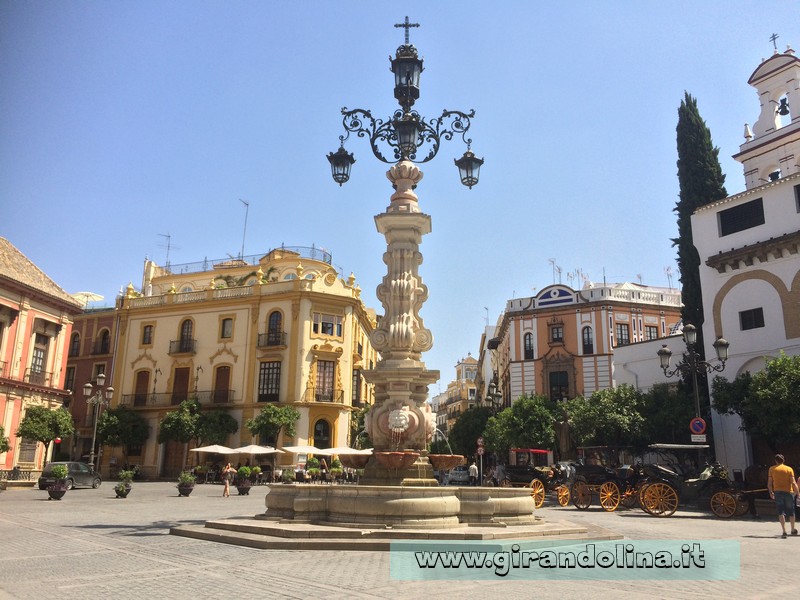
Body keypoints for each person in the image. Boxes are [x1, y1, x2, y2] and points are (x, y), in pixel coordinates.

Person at [767, 454, 799, 538]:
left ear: (775, 461)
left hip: (777, 492)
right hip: (789, 492)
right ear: (783, 460)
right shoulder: (789, 469)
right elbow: (793, 482)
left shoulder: (771, 469)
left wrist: (771, 492)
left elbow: (769, 482)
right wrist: (798, 493)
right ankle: (792, 529)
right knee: (791, 511)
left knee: (780, 512)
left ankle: (784, 531)